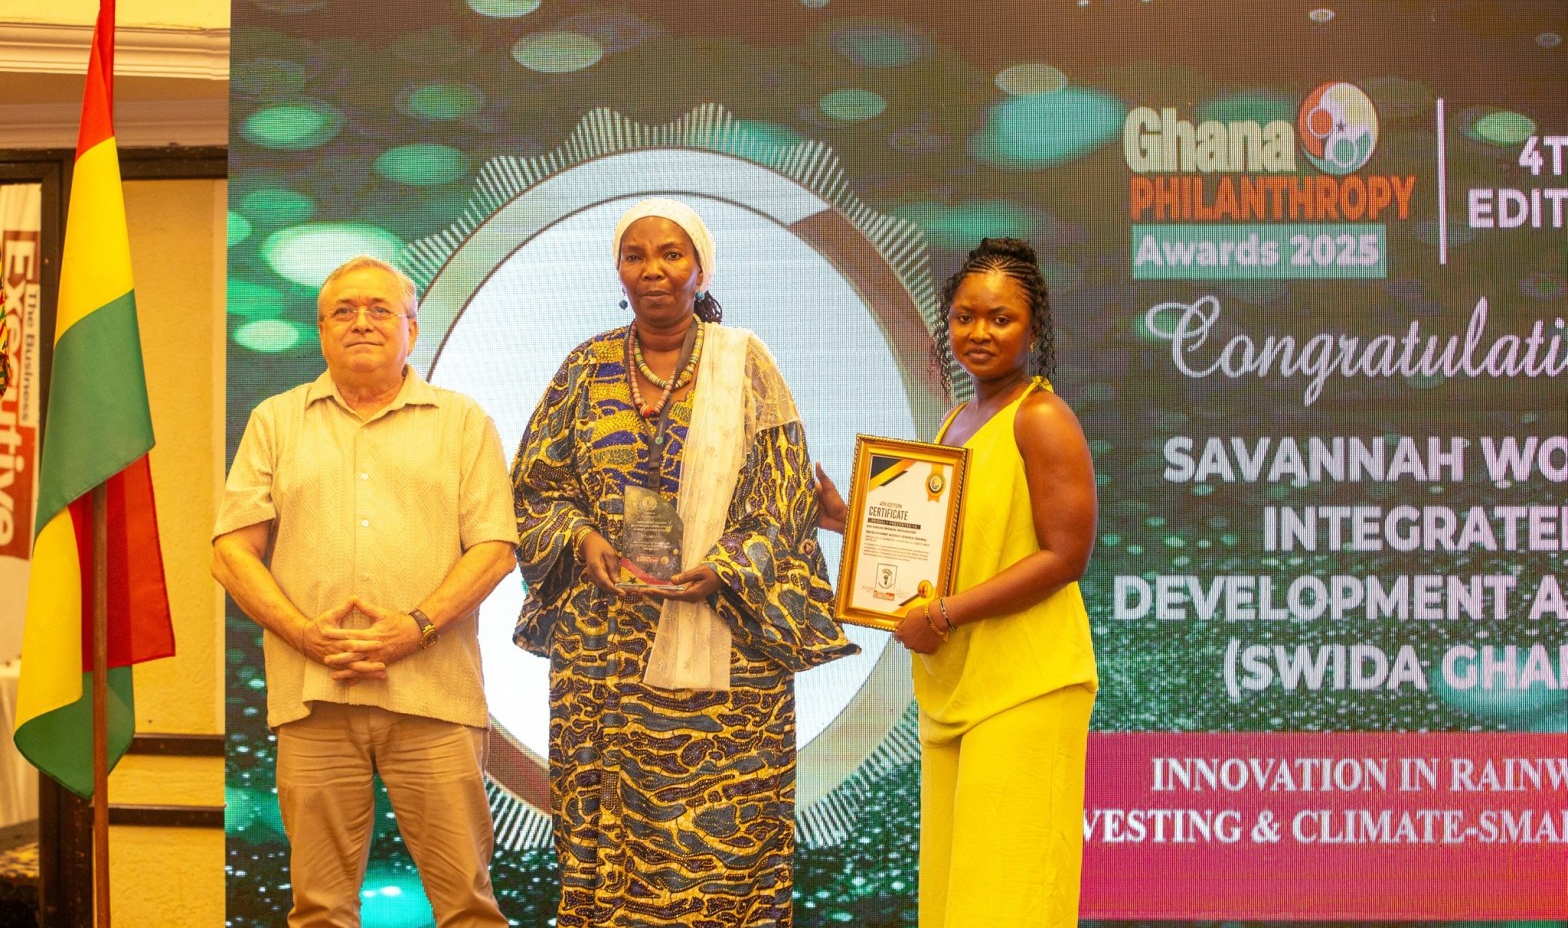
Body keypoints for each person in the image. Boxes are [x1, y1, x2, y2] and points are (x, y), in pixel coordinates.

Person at [511, 198, 855, 927]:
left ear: (702, 270)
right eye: (635, 256)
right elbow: (535, 489)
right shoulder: (583, 369)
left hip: (724, 651)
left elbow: (784, 496)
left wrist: (725, 567)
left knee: (721, 850)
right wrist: (582, 538)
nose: (653, 270)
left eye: (671, 254)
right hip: (602, 653)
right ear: (618, 271)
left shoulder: (745, 364)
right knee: (607, 843)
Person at [212, 257, 516, 928]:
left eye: (380, 309)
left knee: (467, 907)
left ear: (412, 328)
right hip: (314, 696)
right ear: (321, 330)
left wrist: (416, 626)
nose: (361, 322)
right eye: (343, 311)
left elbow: (495, 549)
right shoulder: (274, 421)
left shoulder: (462, 422)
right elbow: (231, 553)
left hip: (434, 695)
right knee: (320, 910)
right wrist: (303, 632)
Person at [819, 236, 1099, 928]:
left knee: (1007, 906)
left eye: (1001, 318)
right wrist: (851, 522)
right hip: (958, 690)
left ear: (1034, 327)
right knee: (954, 906)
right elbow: (949, 543)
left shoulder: (1041, 417)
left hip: (1026, 685)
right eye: (965, 316)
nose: (980, 332)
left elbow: (1066, 555)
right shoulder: (957, 420)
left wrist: (944, 614)